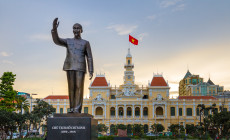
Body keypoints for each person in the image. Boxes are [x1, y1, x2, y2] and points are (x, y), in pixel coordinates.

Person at [51, 18, 93, 113]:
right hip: (70, 66)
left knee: (79, 87)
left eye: (78, 28)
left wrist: (91, 70)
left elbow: (89, 57)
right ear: (73, 30)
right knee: (71, 88)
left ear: (81, 30)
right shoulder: (68, 41)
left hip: (80, 67)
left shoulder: (85, 43)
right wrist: (54, 29)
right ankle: (72, 108)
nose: (76, 30)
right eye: (74, 28)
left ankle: (77, 109)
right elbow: (57, 40)